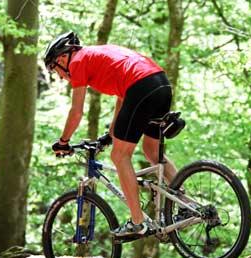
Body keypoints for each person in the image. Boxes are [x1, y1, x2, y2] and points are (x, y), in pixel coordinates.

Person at [44, 32, 178, 238]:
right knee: (151, 151)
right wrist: (111, 134)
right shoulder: (100, 54)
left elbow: (76, 111)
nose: (61, 76)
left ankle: (137, 222)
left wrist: (64, 141)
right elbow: (122, 99)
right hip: (161, 85)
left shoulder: (78, 62)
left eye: (56, 70)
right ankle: (185, 202)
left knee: (119, 156)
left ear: (62, 58)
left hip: (141, 88)